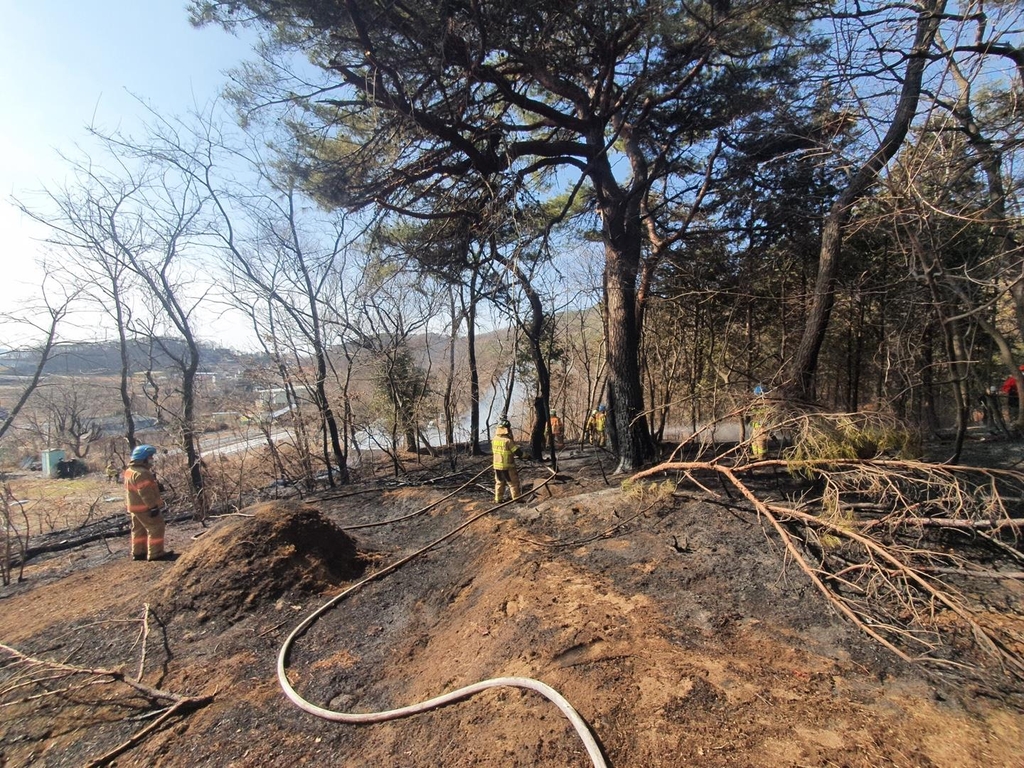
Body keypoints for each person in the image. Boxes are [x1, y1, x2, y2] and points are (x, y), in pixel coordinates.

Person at [124, 444, 171, 561]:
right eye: (150, 456)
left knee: (138, 530)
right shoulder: (142, 473)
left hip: (134, 507)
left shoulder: (130, 471)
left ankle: (138, 552)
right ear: (143, 458)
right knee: (156, 527)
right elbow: (145, 493)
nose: (152, 459)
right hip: (144, 507)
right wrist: (153, 507)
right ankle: (156, 553)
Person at [491, 419, 523, 504]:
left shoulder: (494, 439)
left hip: (497, 466)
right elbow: (517, 452)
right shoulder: (508, 441)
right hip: (508, 466)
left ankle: (498, 499)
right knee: (513, 483)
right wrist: (525, 456)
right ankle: (517, 499)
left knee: (499, 482)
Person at [750, 386, 769, 459]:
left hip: (762, 426)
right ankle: (756, 455)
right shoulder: (756, 402)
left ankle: (762, 457)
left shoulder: (765, 402)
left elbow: (764, 413)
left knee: (761, 442)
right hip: (755, 426)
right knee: (754, 442)